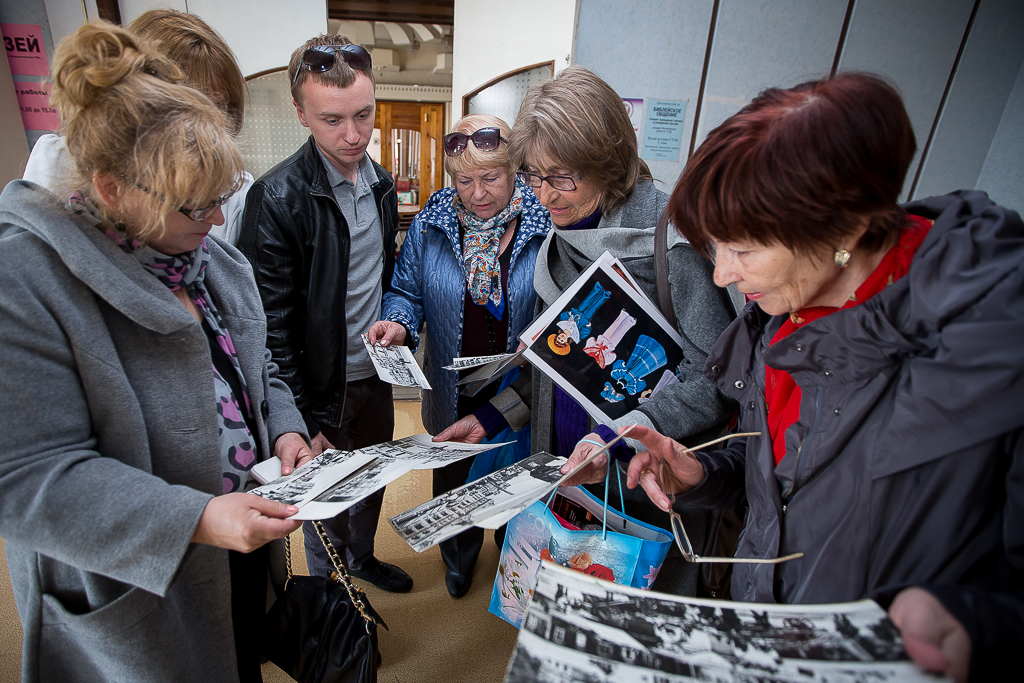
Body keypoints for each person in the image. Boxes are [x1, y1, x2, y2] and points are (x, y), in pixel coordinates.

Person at [623, 72, 1024, 683]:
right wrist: (704, 474)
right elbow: (789, 492)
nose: (724, 276)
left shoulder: (996, 344)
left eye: (744, 250)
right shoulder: (778, 325)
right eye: (715, 249)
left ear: (844, 230)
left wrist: (971, 623)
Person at [0, 22, 313, 682]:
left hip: (238, 554)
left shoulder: (207, 253)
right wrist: (195, 516)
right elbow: (27, 478)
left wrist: (284, 429)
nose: (216, 220)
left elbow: (260, 369)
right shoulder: (24, 274)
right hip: (142, 584)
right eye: (193, 203)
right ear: (113, 188)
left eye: (219, 197)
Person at [434, 66, 738, 594]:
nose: (545, 197)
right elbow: (566, 366)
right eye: (532, 176)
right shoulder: (564, 239)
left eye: (562, 176)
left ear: (608, 162)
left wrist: (615, 436)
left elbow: (713, 381)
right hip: (568, 478)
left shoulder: (672, 245)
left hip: (643, 487)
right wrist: (490, 417)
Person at [239, 34, 412, 592]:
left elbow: (382, 275)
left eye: (363, 115)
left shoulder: (382, 182)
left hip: (375, 375)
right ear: (301, 114)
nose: (353, 135)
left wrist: (394, 318)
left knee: (371, 483)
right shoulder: (277, 198)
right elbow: (270, 327)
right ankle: (334, 604)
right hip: (318, 385)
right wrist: (302, 420)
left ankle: (361, 558)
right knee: (325, 505)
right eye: (333, 120)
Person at [367, 114, 551, 597]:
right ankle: (458, 556)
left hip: (520, 386)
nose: (477, 192)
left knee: (516, 479)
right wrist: (399, 321)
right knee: (452, 479)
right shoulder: (433, 222)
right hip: (451, 385)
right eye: (464, 180)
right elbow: (406, 290)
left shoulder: (546, 222)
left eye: (490, 177)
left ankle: (509, 550)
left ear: (514, 171)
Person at [22, 8, 253, 245]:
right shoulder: (58, 161)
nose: (208, 125)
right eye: (187, 109)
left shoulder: (236, 190)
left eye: (218, 107)